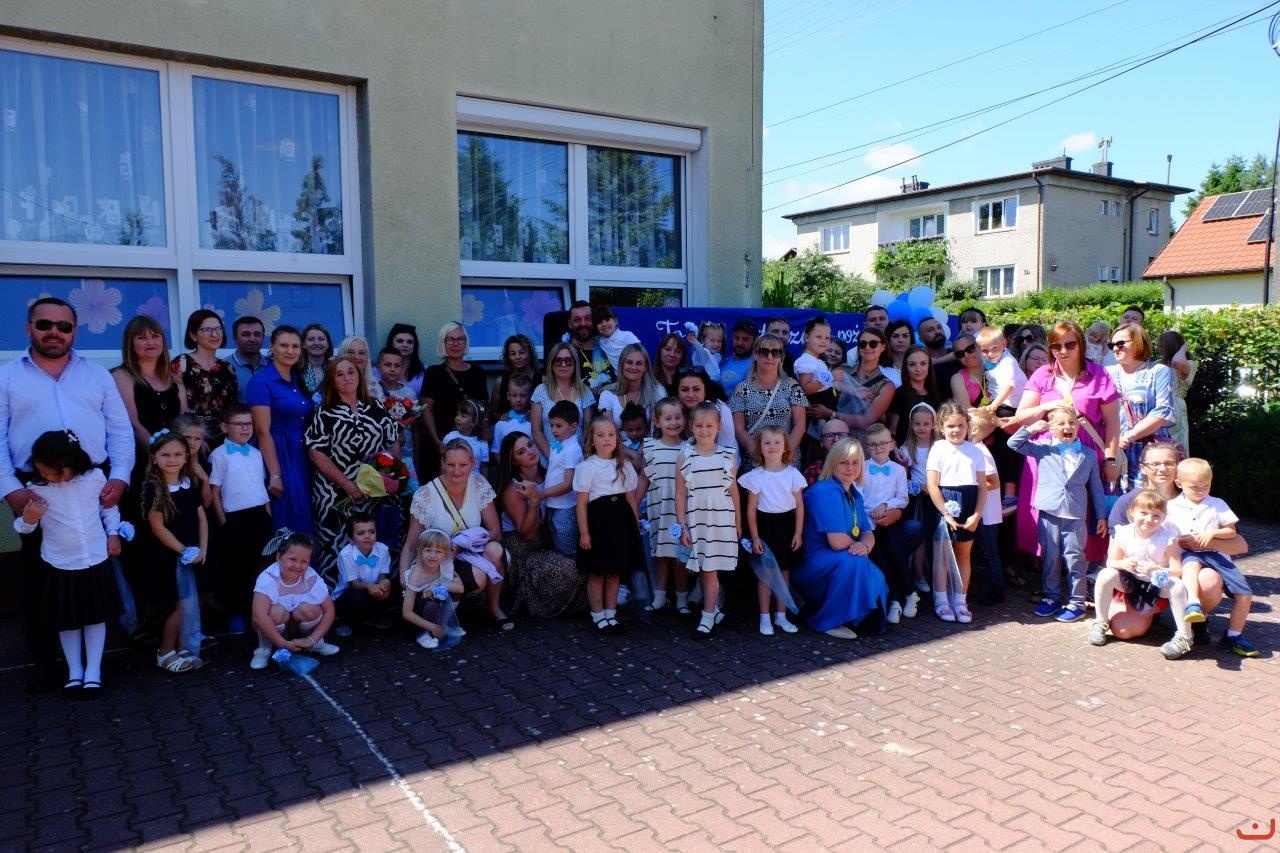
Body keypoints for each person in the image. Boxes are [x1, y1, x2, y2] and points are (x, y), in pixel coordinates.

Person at [0, 297, 134, 693]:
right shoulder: (8, 377)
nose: (54, 332)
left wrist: (120, 477)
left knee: (93, 578)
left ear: (74, 331)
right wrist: (12, 492)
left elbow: (120, 430)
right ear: (29, 328)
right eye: (45, 324)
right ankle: (46, 663)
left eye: (64, 326)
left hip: (93, 482)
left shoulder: (96, 375)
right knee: (40, 581)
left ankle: (96, 662)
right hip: (35, 488)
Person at [15, 430, 124, 696]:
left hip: (94, 558)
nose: (49, 477)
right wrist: (29, 518)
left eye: (53, 472)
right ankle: (74, 670)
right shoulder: (36, 489)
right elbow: (25, 528)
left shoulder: (95, 478)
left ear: (71, 464)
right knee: (67, 619)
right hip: (60, 563)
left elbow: (108, 507)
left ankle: (93, 670)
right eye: (43, 472)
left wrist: (113, 533)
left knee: (95, 617)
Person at [1013, 321, 1120, 574]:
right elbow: (1022, 417)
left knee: (1084, 512)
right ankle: (1050, 580)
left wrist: (1111, 459)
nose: (1063, 351)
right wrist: (1046, 407)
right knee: (1047, 513)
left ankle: (1078, 579)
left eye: (1070, 344)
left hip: (1085, 453)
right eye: (1056, 346)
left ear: (1081, 344)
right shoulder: (1043, 374)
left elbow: (1112, 422)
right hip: (1047, 455)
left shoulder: (1099, 374)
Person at [304, 356, 401, 586]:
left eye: (351, 372)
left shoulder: (376, 406)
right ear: (332, 381)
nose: (347, 377)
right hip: (336, 494)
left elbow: (392, 440)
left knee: (379, 544)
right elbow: (316, 453)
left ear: (359, 376)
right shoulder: (325, 412)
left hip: (374, 493)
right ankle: (337, 600)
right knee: (336, 548)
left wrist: (389, 473)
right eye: (340, 374)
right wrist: (347, 485)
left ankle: (381, 593)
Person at [400, 439, 511, 630]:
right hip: (439, 559)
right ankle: (450, 606)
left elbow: (495, 532)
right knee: (478, 578)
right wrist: (404, 581)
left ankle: (494, 608)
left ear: (473, 463)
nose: (457, 471)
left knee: (497, 551)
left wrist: (463, 542)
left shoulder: (478, 483)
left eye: (463, 465)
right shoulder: (426, 494)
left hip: (469, 551)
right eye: (451, 464)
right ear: (443, 463)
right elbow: (411, 545)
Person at [1009, 406, 1107, 623]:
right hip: (1049, 511)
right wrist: (1031, 429)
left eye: (1071, 422)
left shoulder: (1089, 454)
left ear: (1078, 426)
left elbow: (1096, 487)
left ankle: (1077, 602)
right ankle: (1051, 597)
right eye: (1060, 424)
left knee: (1075, 558)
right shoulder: (1042, 448)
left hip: (1075, 514)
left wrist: (1101, 515)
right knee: (1050, 557)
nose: (1067, 427)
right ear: (1051, 428)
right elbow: (1013, 444)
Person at [796, 438, 888, 639]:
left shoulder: (855, 494)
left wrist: (865, 547)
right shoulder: (825, 491)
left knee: (875, 573)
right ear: (833, 463)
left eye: (855, 462)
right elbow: (836, 542)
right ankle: (827, 620)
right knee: (856, 562)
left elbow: (867, 533)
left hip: (842, 555)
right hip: (815, 561)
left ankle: (857, 619)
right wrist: (860, 548)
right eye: (844, 462)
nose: (850, 468)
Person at [1168, 458, 1257, 656]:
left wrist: (1212, 534)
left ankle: (1233, 635)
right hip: (1189, 553)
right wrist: (1178, 541)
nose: (1201, 491)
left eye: (1206, 486)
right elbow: (1166, 535)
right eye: (1194, 487)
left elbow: (1231, 532)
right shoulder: (1171, 507)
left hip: (1217, 555)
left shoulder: (1217, 504)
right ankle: (1193, 603)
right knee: (1190, 564)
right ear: (1179, 483)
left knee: (1245, 594)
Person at [1089, 490, 1194, 660]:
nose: (1149, 519)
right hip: (1130, 581)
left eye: (1156, 516)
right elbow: (1111, 562)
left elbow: (1177, 570)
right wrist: (1122, 564)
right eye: (1144, 513)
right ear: (1132, 512)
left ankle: (1185, 636)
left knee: (1177, 585)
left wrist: (1157, 569)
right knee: (1106, 574)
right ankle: (1100, 622)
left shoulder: (1168, 536)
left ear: (1163, 518)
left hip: (1157, 584)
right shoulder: (1123, 532)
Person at [493, 433, 588, 619]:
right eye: (521, 451)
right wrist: (534, 501)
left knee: (585, 562)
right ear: (514, 460)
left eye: (530, 445)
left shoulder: (550, 475)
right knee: (571, 569)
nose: (530, 451)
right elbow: (527, 533)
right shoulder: (513, 489)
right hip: (523, 549)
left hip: (549, 540)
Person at [141, 431, 208, 673]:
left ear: (186, 457)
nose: (172, 460)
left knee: (191, 602)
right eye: (165, 455)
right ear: (154, 458)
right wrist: (183, 551)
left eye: (178, 454)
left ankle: (183, 646)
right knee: (180, 606)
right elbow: (157, 528)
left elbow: (202, 518)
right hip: (170, 556)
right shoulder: (155, 489)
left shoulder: (188, 484)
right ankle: (165, 651)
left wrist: (203, 548)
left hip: (193, 554)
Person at [677, 401, 741, 639]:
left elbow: (733, 491)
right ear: (691, 426)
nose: (704, 430)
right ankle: (712, 611)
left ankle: (708, 615)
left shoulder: (727, 456)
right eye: (699, 426)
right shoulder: (685, 456)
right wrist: (682, 525)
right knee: (705, 569)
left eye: (709, 426)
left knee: (710, 569)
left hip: (721, 519)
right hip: (697, 519)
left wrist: (738, 522)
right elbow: (680, 494)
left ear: (719, 427)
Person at [575, 414, 644, 634]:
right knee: (598, 572)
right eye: (601, 435)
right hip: (598, 524)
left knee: (615, 571)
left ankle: (611, 613)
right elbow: (582, 503)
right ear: (591, 439)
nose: (607, 439)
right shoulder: (587, 467)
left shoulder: (623, 465)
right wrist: (584, 532)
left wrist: (635, 524)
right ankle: (597, 614)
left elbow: (630, 498)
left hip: (620, 523)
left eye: (611, 434)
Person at [208, 403, 272, 635]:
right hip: (234, 519)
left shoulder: (256, 454)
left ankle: (262, 614)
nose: (245, 429)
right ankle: (237, 614)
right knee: (236, 569)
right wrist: (223, 523)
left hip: (259, 515)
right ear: (224, 427)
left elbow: (261, 487)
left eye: (249, 424)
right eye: (239, 424)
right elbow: (215, 492)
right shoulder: (218, 455)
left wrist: (268, 514)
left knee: (261, 566)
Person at [925, 402, 990, 624]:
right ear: (941, 427)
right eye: (951, 426)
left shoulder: (976, 451)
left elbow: (982, 487)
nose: (956, 430)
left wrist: (977, 515)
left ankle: (961, 601)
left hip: (969, 503)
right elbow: (932, 485)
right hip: (944, 503)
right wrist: (945, 513)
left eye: (961, 425)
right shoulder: (938, 449)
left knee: (963, 554)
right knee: (942, 556)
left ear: (968, 426)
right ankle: (941, 601)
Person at [738, 425, 806, 635]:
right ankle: (764, 617)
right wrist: (755, 537)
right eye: (767, 443)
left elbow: (799, 506)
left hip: (787, 527)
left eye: (777, 442)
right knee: (766, 574)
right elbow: (751, 509)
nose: (772, 446)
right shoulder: (755, 476)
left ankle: (781, 616)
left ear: (785, 447)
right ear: (760, 447)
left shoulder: (793, 474)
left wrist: (798, 533)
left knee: (784, 573)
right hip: (765, 526)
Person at [247, 326, 315, 534]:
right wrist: (275, 474)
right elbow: (262, 431)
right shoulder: (261, 381)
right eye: (284, 345)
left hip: (303, 454)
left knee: (305, 510)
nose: (290, 351)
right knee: (289, 513)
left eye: (295, 346)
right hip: (280, 454)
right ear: (272, 347)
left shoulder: (297, 379)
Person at [112, 316, 189, 485]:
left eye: (155, 336)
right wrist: (160, 459)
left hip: (175, 463)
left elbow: (185, 422)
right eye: (142, 338)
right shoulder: (121, 376)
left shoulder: (175, 379)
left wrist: (182, 457)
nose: (150, 342)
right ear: (130, 344)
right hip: (143, 463)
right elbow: (133, 424)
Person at [250, 529, 340, 669]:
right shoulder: (268, 577)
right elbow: (258, 616)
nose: (298, 566)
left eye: (304, 561)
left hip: (297, 627)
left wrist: (312, 639)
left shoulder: (311, 577)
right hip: (276, 627)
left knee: (309, 609)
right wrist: (282, 643)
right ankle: (264, 649)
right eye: (292, 559)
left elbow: (330, 611)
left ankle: (315, 644)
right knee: (276, 612)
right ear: (278, 557)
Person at [861, 423, 923, 623]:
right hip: (869, 523)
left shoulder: (898, 470)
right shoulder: (861, 469)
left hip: (890, 521)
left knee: (895, 550)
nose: (878, 448)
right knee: (880, 557)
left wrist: (886, 505)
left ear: (891, 444)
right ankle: (897, 600)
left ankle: (909, 594)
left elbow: (903, 498)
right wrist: (872, 513)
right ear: (867, 447)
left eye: (882, 443)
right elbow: (858, 496)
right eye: (873, 444)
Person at [637, 398, 690, 614]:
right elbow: (643, 480)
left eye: (678, 417)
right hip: (659, 509)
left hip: (681, 512)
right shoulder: (651, 447)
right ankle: (659, 597)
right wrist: (634, 507)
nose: (673, 422)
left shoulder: (689, 447)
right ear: (657, 422)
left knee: (680, 557)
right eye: (668, 418)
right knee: (660, 555)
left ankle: (682, 599)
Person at [1107, 323, 1175, 490]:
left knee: (1150, 501)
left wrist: (1128, 437)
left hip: (1150, 450)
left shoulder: (1158, 371)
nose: (1115, 348)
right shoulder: (1107, 373)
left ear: (1138, 342)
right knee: (1114, 500)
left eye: (1120, 343)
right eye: (1111, 345)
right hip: (1114, 450)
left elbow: (1163, 411)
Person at [730, 334, 807, 473]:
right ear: (755, 355)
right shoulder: (741, 389)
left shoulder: (792, 386)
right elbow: (739, 428)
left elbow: (800, 425)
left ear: (781, 356)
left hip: (787, 461)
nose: (770, 357)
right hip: (755, 462)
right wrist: (759, 455)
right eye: (764, 352)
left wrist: (785, 454)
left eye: (775, 352)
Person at [421, 322, 488, 480]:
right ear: (443, 342)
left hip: (472, 441)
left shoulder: (478, 373)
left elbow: (484, 406)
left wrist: (485, 424)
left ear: (466, 342)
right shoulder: (433, 373)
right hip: (443, 440)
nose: (455, 344)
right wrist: (437, 441)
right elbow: (426, 410)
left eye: (460, 339)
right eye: (450, 339)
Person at [172, 309, 239, 439]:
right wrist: (197, 438)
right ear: (193, 335)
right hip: (192, 436)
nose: (215, 334)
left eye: (218, 329)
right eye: (207, 330)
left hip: (224, 436)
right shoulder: (182, 363)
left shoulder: (228, 368)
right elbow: (180, 410)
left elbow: (232, 408)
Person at [400, 527, 463, 649]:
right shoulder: (416, 574)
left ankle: (443, 626)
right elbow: (406, 613)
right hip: (417, 613)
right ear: (420, 551)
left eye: (438, 551)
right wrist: (431, 626)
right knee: (430, 598)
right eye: (428, 550)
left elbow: (460, 588)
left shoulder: (445, 566)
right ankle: (422, 633)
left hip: (434, 609)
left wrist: (436, 584)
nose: (432, 555)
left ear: (445, 555)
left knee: (453, 592)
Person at [531, 341, 596, 459]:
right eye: (558, 360)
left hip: (576, 460)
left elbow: (587, 429)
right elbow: (536, 431)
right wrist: (553, 458)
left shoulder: (585, 391)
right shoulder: (541, 391)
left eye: (568, 360)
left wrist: (580, 457)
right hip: (548, 460)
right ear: (551, 364)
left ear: (575, 364)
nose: (564, 364)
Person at [898, 402, 937, 596]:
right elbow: (903, 478)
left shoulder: (939, 447)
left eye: (926, 424)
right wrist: (918, 487)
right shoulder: (907, 449)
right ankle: (919, 574)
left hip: (938, 495)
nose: (921, 428)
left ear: (933, 425)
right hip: (919, 498)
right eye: (917, 424)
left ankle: (938, 576)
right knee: (920, 537)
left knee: (937, 536)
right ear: (911, 425)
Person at [832, 328, 895, 446]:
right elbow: (822, 384)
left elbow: (866, 422)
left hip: (862, 444)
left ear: (883, 347)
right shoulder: (843, 370)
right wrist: (851, 390)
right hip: (833, 439)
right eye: (862, 344)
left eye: (873, 344)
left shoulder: (886, 385)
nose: (867, 347)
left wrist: (831, 414)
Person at [332, 512, 393, 633]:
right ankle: (346, 620)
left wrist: (384, 583)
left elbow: (382, 576)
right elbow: (353, 584)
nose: (367, 536)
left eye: (372, 532)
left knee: (390, 588)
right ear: (350, 539)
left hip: (372, 590)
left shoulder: (383, 549)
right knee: (356, 596)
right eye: (361, 533)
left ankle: (373, 617)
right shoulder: (345, 555)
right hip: (349, 593)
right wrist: (370, 586)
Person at [541, 400, 584, 556]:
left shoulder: (572, 450)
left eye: (559, 426)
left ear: (573, 426)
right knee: (556, 543)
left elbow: (568, 484)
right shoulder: (559, 444)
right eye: (551, 425)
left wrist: (542, 493)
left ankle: (572, 570)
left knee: (566, 546)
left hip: (565, 506)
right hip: (554, 503)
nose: (553, 430)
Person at [795, 316, 844, 443]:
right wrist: (830, 377)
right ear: (806, 337)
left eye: (827, 338)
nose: (823, 341)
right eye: (819, 337)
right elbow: (804, 389)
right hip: (818, 414)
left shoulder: (817, 360)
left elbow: (829, 385)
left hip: (828, 410)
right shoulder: (806, 361)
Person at [597, 343, 665, 426]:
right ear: (621, 365)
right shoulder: (607, 394)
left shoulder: (657, 391)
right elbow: (607, 429)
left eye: (638, 363)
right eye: (629, 362)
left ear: (645, 367)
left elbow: (657, 428)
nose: (633, 367)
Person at [887, 346, 945, 444]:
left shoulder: (937, 392)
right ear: (906, 367)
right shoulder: (899, 394)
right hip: (907, 449)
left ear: (929, 365)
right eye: (912, 364)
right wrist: (897, 450)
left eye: (923, 364)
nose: (918, 369)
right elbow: (892, 431)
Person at [675, 369, 737, 456]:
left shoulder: (720, 410)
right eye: (685, 390)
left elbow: (728, 448)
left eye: (696, 389)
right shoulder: (673, 410)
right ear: (678, 392)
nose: (690, 395)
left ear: (705, 391)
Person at [1158, 330, 1196, 453]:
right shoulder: (1158, 364)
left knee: (1176, 444)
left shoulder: (1189, 364)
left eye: (1161, 344)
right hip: (1158, 404)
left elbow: (1176, 361)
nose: (1158, 347)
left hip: (1176, 407)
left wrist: (1184, 347)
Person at [489, 333, 538, 424]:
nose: (517, 357)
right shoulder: (500, 382)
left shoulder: (542, 381)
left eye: (522, 352)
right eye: (513, 354)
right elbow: (492, 414)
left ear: (530, 354)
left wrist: (536, 416)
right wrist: (501, 417)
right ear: (508, 357)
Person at [566, 300, 612, 388]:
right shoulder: (565, 354)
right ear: (570, 324)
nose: (583, 324)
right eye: (577, 319)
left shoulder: (609, 345)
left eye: (588, 318)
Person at [442, 398, 489, 478]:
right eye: (457, 414)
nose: (458, 418)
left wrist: (485, 484)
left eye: (463, 416)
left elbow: (483, 468)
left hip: (474, 483)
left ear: (474, 422)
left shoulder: (482, 443)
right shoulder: (449, 438)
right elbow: (443, 464)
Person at [491, 374, 534, 459]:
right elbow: (496, 451)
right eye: (514, 395)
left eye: (523, 395)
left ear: (531, 396)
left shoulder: (536, 422)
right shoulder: (501, 424)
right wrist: (507, 467)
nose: (518, 399)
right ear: (508, 396)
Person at [229, 316, 268, 401]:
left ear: (263, 338)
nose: (252, 339)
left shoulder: (273, 365)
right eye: (246, 334)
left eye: (257, 334)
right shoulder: (224, 367)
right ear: (235, 339)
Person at [592, 305, 642, 373]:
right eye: (599, 322)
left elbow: (641, 354)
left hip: (634, 373)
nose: (604, 324)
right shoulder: (600, 340)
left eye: (607, 320)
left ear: (616, 321)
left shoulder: (627, 336)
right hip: (619, 377)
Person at [802, 418, 850, 486]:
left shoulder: (859, 466)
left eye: (842, 435)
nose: (836, 439)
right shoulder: (813, 471)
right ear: (821, 442)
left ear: (849, 440)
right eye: (830, 435)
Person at [384, 323, 427, 398]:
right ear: (391, 343)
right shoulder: (377, 371)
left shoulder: (425, 371)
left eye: (409, 342)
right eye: (399, 341)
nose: (405, 345)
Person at [917, 315, 959, 390]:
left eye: (939, 327)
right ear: (921, 339)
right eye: (930, 330)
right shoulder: (921, 364)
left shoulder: (959, 355)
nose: (937, 332)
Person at [948, 334, 989, 410]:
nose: (966, 355)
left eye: (970, 349)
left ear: (979, 347)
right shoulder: (958, 379)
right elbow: (967, 411)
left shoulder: (995, 369)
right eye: (960, 354)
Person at [718, 318, 758, 393]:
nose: (739, 343)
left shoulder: (756, 366)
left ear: (755, 340)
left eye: (745, 339)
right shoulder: (723, 361)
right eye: (736, 338)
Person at [335, 335, 380, 400]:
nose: (356, 357)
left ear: (367, 357)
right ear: (342, 355)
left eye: (361, 353)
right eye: (351, 352)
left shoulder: (375, 384)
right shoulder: (336, 385)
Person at [300, 323, 334, 395]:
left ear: (328, 344)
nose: (316, 343)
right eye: (311, 339)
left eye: (321, 339)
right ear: (303, 344)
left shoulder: (335, 368)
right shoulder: (295, 370)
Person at [882, 319, 914, 387]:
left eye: (905, 336)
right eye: (895, 336)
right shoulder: (880, 367)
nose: (900, 340)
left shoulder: (920, 362)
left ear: (911, 338)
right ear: (888, 339)